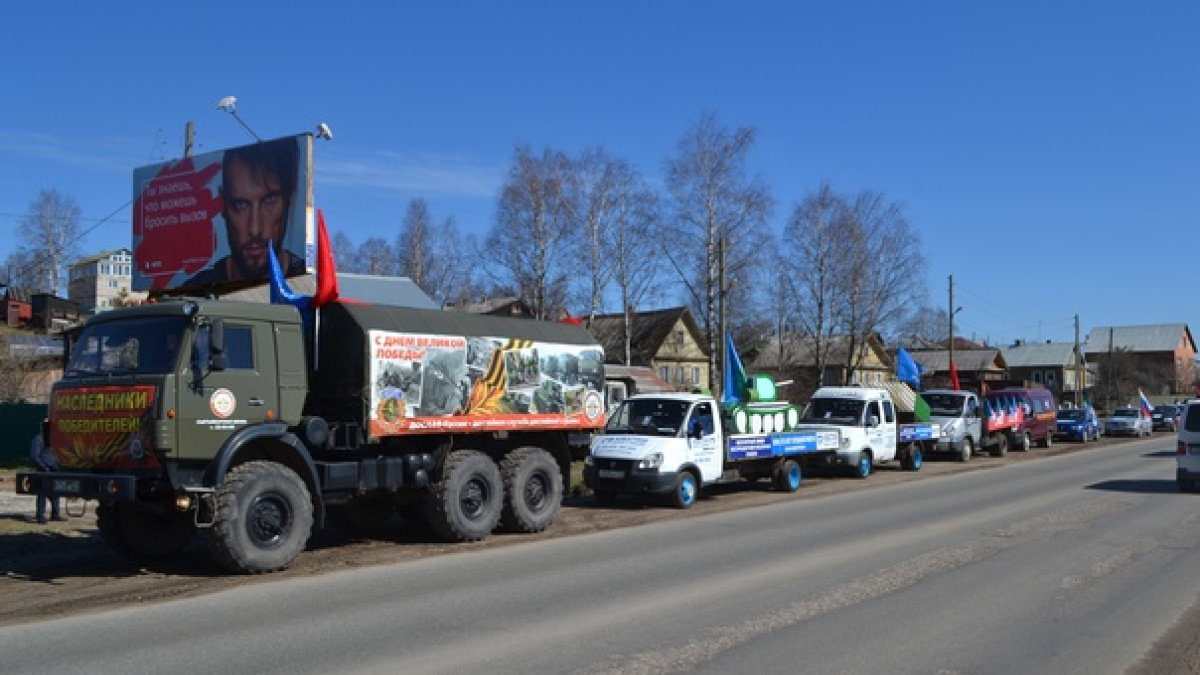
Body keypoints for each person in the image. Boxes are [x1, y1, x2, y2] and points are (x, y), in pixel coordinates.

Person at [185, 137, 306, 287]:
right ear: (223, 204)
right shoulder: (195, 291)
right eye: (240, 204)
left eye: (269, 200)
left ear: (290, 197)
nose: (255, 229)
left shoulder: (311, 292)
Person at [29, 427, 63, 523]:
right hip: (44, 470)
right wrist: (43, 467)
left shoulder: (55, 440)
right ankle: (40, 515)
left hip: (55, 469)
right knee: (42, 493)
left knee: (56, 493)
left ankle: (55, 514)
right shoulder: (38, 439)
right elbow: (34, 455)